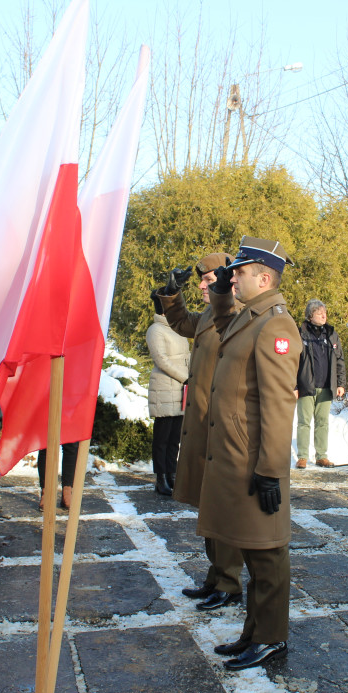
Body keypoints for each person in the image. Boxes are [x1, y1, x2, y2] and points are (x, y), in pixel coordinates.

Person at [201, 236, 300, 670]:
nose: (232, 276)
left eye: (238, 272)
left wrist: (271, 470)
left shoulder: (276, 325)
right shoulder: (250, 317)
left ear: (264, 277)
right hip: (236, 455)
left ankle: (272, 637)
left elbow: (279, 404)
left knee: (266, 553)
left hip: (255, 459)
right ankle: (253, 633)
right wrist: (222, 291)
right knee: (252, 550)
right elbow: (217, 325)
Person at [158, 252, 245, 611]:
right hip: (202, 423)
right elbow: (180, 323)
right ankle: (216, 576)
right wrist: (170, 292)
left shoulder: (235, 315)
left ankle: (229, 581)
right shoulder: (211, 314)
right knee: (208, 508)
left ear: (227, 279)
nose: (201, 286)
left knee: (222, 509)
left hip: (221, 425)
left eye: (207, 280)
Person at [146, 290, 190, 496]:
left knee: (174, 437)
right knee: (162, 437)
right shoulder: (155, 330)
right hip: (164, 387)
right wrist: (185, 376)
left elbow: (187, 355)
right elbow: (161, 360)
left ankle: (172, 473)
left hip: (181, 388)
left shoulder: (177, 329)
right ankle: (160, 477)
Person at [295, 300, 346, 468]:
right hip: (306, 386)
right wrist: (294, 386)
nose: (324, 316)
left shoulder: (331, 335)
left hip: (326, 386)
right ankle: (302, 456)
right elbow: (293, 362)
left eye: (324, 312)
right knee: (304, 422)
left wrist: (340, 383)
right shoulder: (300, 334)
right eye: (319, 313)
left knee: (322, 422)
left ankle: (321, 456)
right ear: (310, 316)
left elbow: (339, 360)